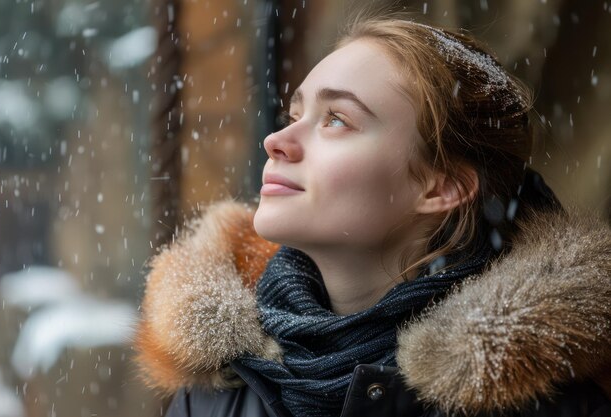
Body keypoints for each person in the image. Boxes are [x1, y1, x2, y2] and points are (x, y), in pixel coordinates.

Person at [134, 13, 611, 417]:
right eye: (293, 115)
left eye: (336, 120)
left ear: (442, 186)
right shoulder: (215, 392)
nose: (276, 142)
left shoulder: (551, 404)